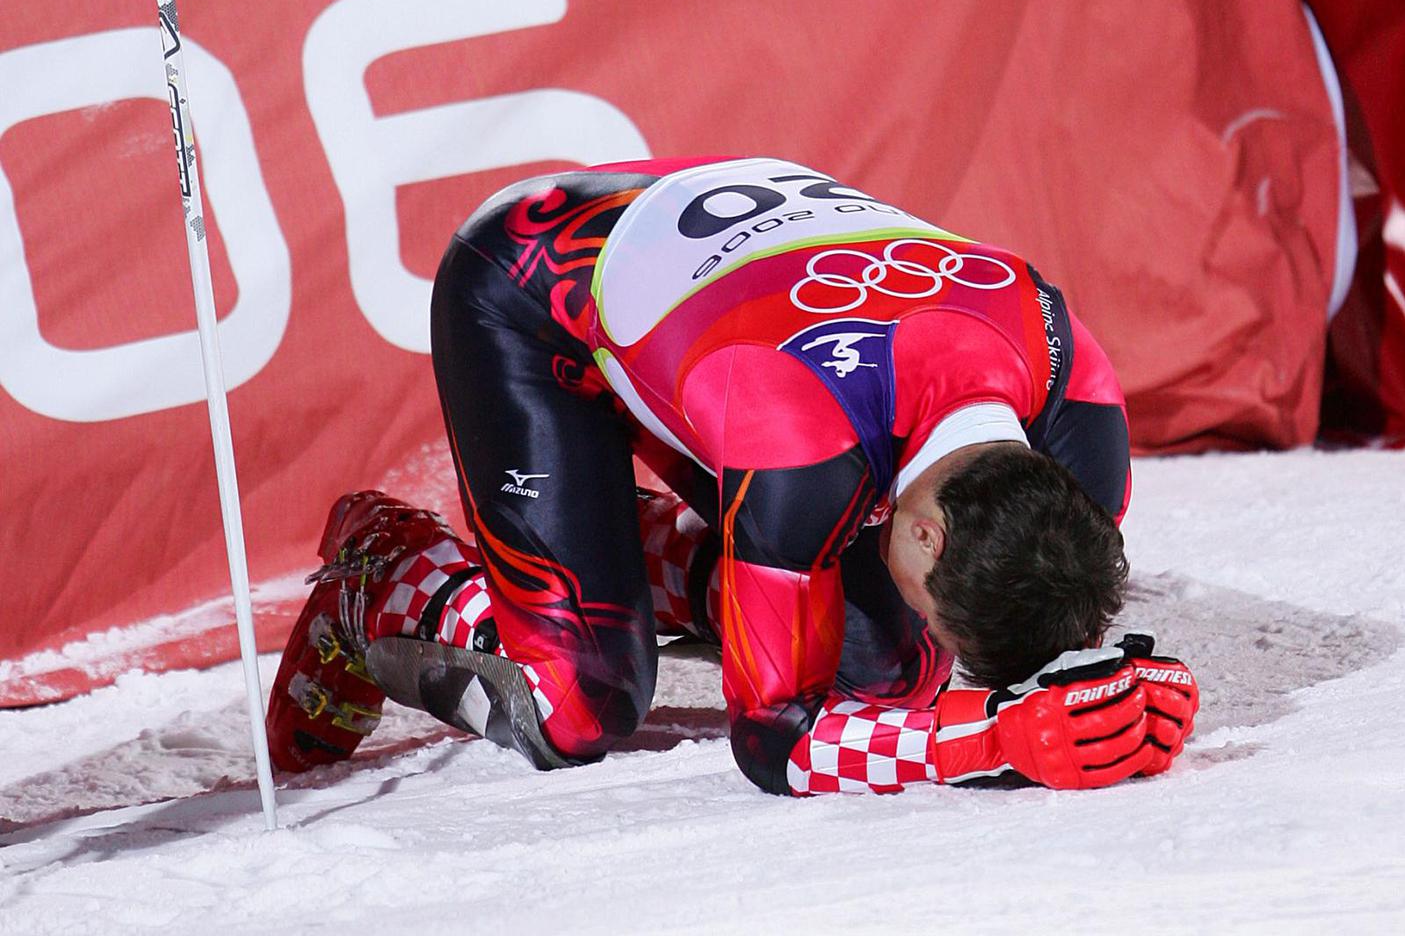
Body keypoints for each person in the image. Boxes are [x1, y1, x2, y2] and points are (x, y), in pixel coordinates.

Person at [267, 156, 1199, 795]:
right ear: (923, 532)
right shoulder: (801, 447)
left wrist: (1099, 672)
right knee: (578, 706)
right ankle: (379, 570)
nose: (934, 627)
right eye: (935, 602)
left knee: (888, 672)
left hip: (738, 287)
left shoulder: (1080, 422)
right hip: (531, 286)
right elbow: (775, 738)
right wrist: (990, 742)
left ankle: (593, 544)